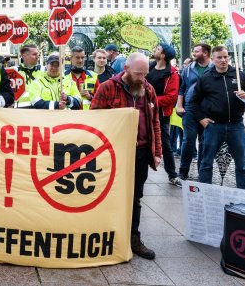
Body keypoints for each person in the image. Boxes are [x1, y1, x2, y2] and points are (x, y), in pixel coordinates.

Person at [91, 52, 161, 260]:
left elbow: (155, 121)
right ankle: (106, 236)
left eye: (145, 74)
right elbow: (94, 120)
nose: (142, 78)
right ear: (127, 69)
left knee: (135, 196)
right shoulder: (107, 88)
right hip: (114, 153)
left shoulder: (148, 89)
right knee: (109, 195)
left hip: (139, 152)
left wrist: (156, 152)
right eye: (139, 73)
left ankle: (133, 238)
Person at [191, 46, 245, 190]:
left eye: (226, 57)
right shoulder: (206, 78)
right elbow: (193, 102)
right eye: (219, 57)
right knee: (206, 163)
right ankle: (205, 193)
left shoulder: (240, 76)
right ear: (213, 59)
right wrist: (201, 118)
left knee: (242, 164)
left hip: (236, 125)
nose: (223, 60)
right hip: (214, 126)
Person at [177, 43, 213, 179]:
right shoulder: (188, 69)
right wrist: (179, 105)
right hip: (190, 110)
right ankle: (183, 171)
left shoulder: (214, 68)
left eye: (196, 51)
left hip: (207, 111)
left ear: (205, 53)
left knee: (205, 141)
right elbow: (182, 88)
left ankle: (202, 172)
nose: (194, 53)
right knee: (188, 141)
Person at [147, 44, 181, 186]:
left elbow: (171, 97)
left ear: (163, 55)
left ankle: (172, 175)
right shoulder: (148, 67)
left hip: (160, 113)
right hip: (143, 111)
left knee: (165, 144)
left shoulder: (172, 74)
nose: (154, 49)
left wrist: (151, 102)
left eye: (158, 48)